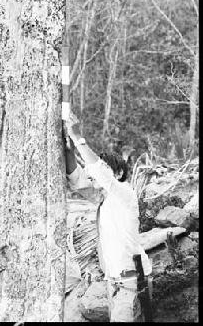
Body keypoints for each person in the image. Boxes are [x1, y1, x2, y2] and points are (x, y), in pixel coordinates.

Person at [64, 111, 153, 322]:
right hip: (115, 283)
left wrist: (77, 136)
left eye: (102, 172)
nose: (94, 178)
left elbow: (101, 173)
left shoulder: (124, 194)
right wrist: (68, 150)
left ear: (119, 173)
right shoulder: (103, 202)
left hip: (131, 281)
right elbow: (78, 180)